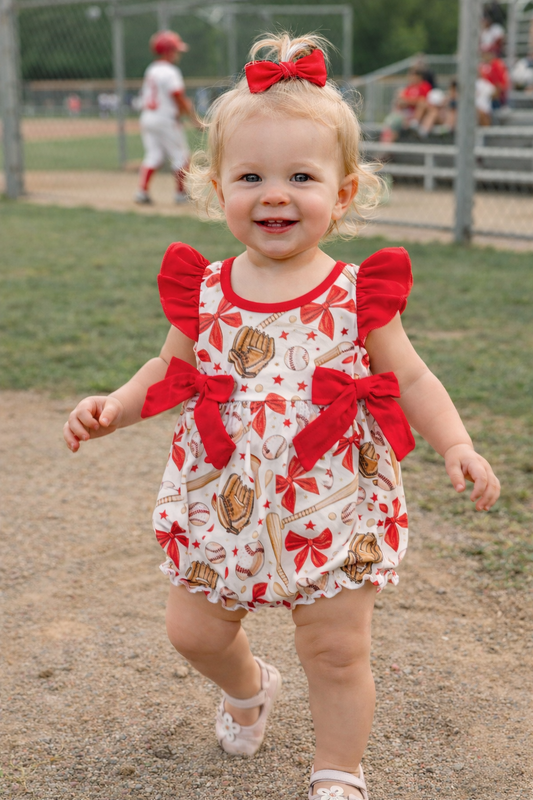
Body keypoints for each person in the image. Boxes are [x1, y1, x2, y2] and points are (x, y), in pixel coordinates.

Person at [64, 32, 500, 800]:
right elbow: (170, 369)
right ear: (215, 188)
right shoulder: (204, 288)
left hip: (329, 497)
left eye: (300, 175)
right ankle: (246, 686)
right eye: (250, 175)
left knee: (333, 650)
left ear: (342, 192)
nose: (274, 193)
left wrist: (455, 442)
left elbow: (413, 375)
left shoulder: (356, 291)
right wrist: (114, 406)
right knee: (192, 632)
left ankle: (337, 771)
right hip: (221, 492)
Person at [135, 30, 198, 205]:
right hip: (165, 119)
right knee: (181, 156)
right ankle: (180, 194)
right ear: (168, 51)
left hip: (148, 117)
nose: (177, 54)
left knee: (154, 155)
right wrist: (194, 119)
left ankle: (142, 192)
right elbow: (177, 96)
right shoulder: (170, 72)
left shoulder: (152, 69)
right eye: (176, 50)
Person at [380, 66, 433, 143]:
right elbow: (402, 101)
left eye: (412, 75)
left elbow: (423, 101)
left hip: (420, 114)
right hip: (407, 113)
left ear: (419, 77)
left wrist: (408, 101)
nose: (410, 78)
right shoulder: (409, 87)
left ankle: (414, 123)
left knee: (421, 104)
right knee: (391, 124)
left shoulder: (425, 86)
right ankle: (387, 148)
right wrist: (405, 101)